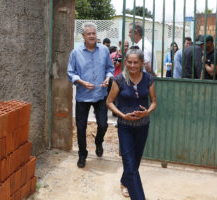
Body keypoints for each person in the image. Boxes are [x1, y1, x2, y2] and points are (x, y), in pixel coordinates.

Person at [106, 49, 157, 199]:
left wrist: (147, 112)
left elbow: (154, 102)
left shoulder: (148, 79)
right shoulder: (119, 79)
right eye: (129, 62)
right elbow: (109, 102)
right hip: (125, 127)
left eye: (136, 62)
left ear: (141, 63)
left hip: (143, 126)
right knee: (129, 162)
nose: (132, 65)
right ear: (125, 62)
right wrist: (123, 115)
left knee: (134, 162)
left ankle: (124, 181)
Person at [67, 22, 114, 168]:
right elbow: (70, 73)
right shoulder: (76, 53)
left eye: (94, 33)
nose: (92, 36)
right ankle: (82, 155)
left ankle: (98, 142)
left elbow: (110, 69)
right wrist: (81, 82)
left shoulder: (105, 51)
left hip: (100, 94)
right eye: (89, 34)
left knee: (103, 124)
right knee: (81, 128)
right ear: (83, 36)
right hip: (83, 96)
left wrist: (108, 77)